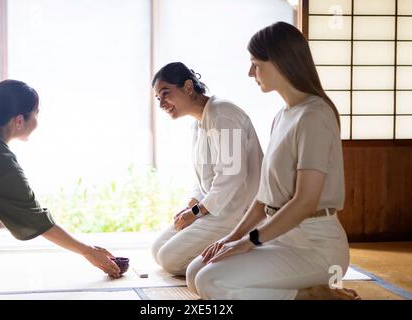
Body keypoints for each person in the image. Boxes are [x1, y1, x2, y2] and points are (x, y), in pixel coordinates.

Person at [186, 22, 360, 300]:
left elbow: (306, 201)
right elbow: (263, 199)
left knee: (211, 283)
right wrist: (232, 238)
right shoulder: (282, 116)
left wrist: (251, 242)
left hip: (316, 247)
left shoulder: (316, 115)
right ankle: (304, 289)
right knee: (196, 272)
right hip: (279, 238)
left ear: (280, 62)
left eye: (256, 63)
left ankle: (312, 296)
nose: (250, 72)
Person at [0, 80, 121, 292]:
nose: (38, 119)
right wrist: (89, 252)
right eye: (37, 113)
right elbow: (38, 221)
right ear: (19, 120)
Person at [151, 62, 263, 276]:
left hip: (236, 211)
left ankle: (249, 259)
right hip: (213, 208)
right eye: (158, 98)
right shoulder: (198, 122)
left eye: (165, 94)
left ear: (188, 87)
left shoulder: (223, 113)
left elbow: (233, 175)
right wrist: (191, 206)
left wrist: (196, 212)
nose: (162, 104)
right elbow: (204, 179)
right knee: (157, 250)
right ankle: (219, 255)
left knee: (169, 260)